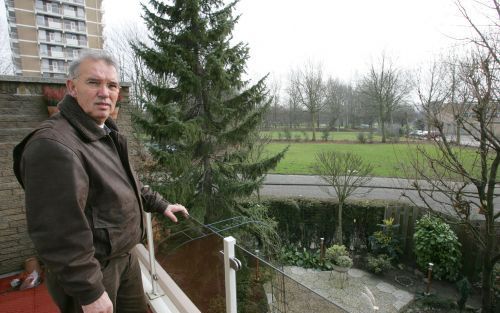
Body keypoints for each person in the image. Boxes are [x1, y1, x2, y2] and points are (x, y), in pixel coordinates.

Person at [13, 50, 189, 313]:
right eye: (93, 82)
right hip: (93, 271)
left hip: (124, 258)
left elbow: (125, 184)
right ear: (71, 87)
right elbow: (57, 232)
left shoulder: (104, 131)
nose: (105, 92)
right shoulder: (53, 146)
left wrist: (160, 204)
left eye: (112, 85)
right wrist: (90, 290)